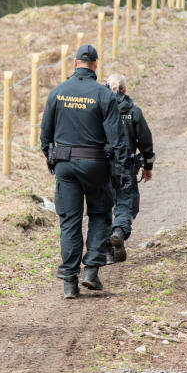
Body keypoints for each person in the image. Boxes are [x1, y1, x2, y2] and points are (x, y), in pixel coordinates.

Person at [40, 44, 129, 299]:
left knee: (69, 222)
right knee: (100, 215)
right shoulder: (104, 95)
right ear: (96, 65)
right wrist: (119, 170)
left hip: (65, 166)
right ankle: (90, 270)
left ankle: (69, 281)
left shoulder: (57, 93)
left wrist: (52, 161)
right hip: (96, 165)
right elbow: (116, 138)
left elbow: (45, 135)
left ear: (75, 63)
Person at [104, 73, 155, 264]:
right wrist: (148, 166)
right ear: (125, 90)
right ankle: (118, 231)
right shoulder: (133, 112)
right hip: (125, 167)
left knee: (102, 208)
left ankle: (107, 253)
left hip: (100, 167)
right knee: (126, 204)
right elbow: (146, 142)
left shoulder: (98, 111)